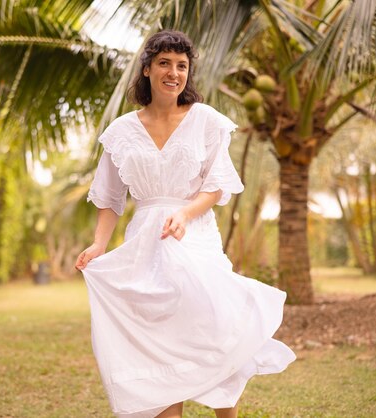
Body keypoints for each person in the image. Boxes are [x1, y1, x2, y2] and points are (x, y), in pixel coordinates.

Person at [75, 30, 296, 418]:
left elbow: (217, 186)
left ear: (188, 73)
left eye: (181, 65)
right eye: (164, 63)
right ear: (147, 70)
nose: (173, 72)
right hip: (146, 240)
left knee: (210, 327)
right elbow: (110, 198)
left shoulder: (206, 121)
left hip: (194, 237)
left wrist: (184, 214)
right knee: (158, 337)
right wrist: (98, 245)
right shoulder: (121, 132)